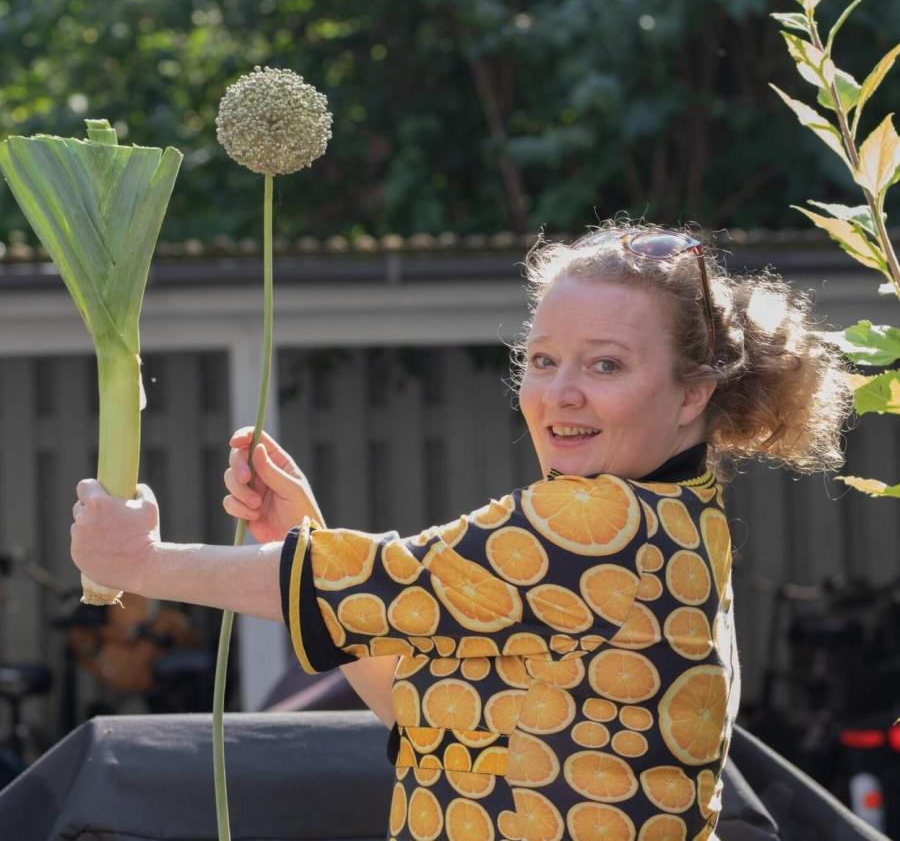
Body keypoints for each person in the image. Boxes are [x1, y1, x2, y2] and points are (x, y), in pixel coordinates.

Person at [70, 221, 853, 840]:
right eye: (543, 361)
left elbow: (363, 580)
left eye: (606, 366)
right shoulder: (680, 517)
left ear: (693, 394)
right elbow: (422, 710)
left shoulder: (598, 522)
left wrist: (135, 559)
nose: (561, 393)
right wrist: (304, 535)